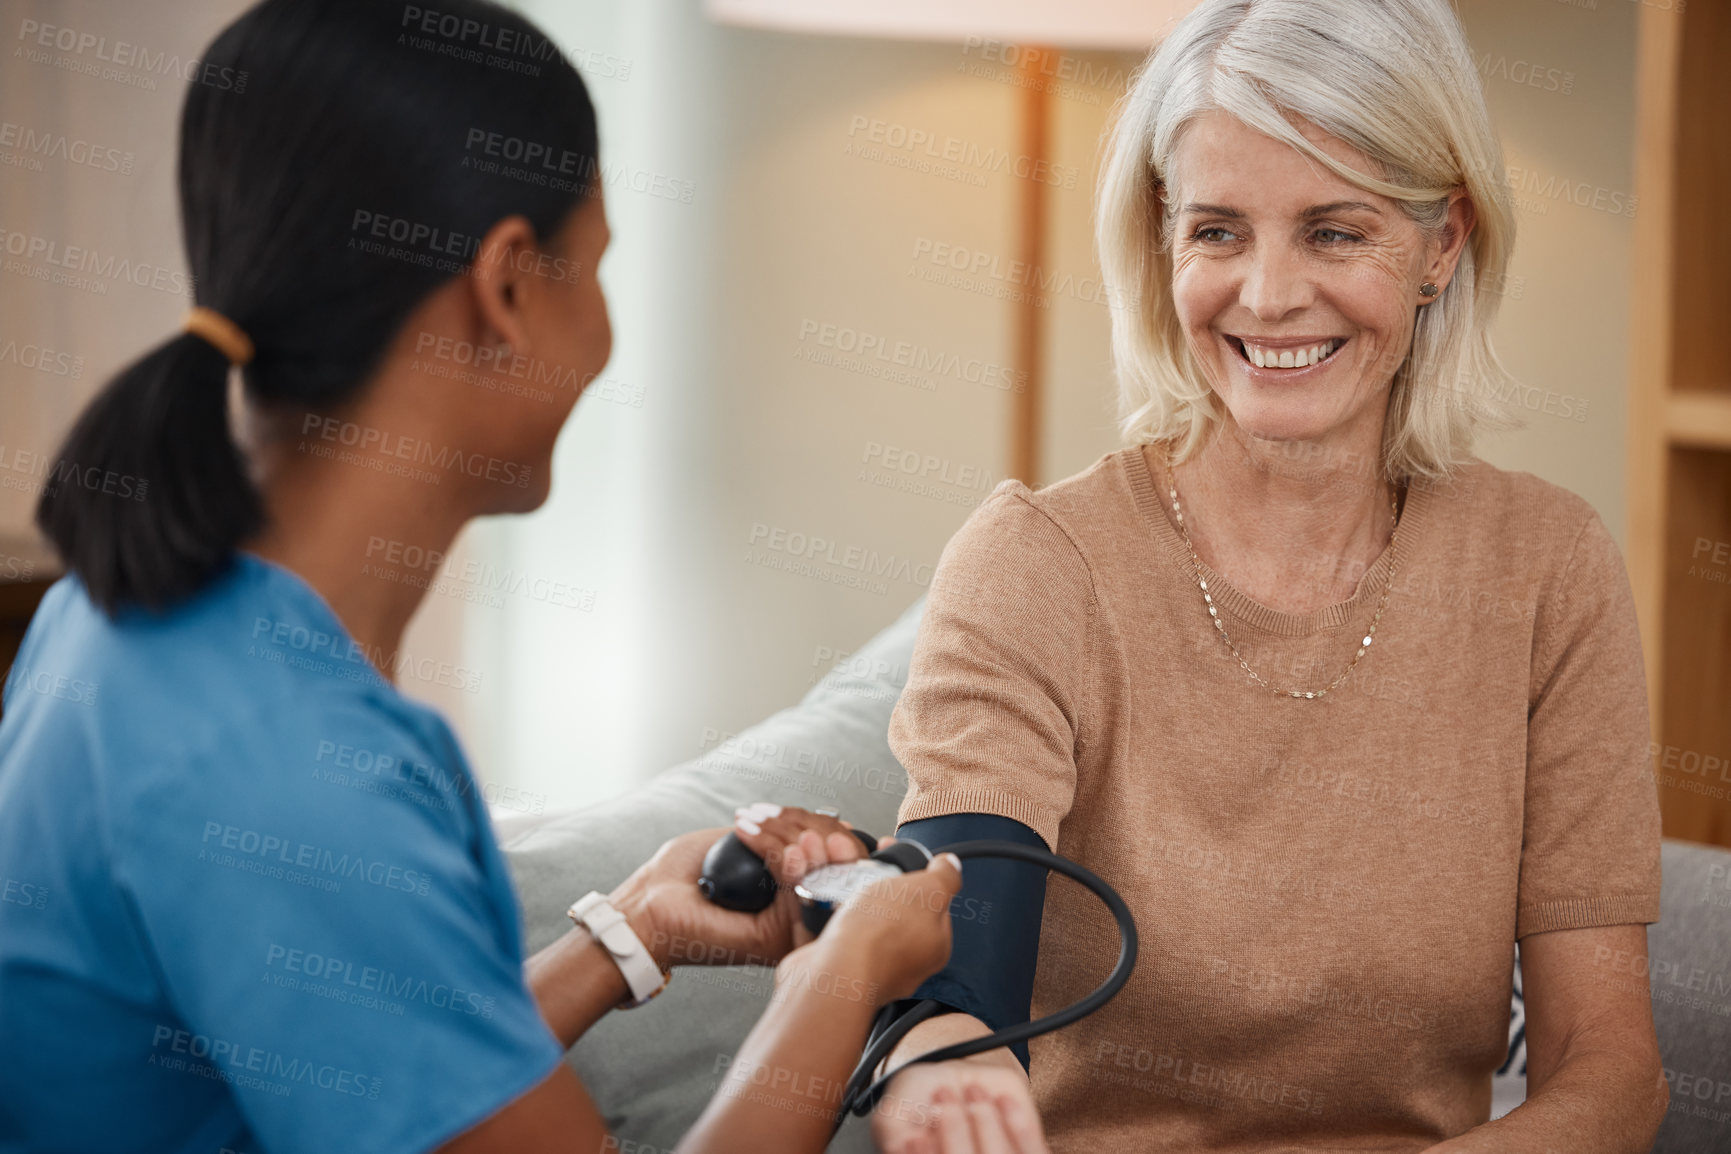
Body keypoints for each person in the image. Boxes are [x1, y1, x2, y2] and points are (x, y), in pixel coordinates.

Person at [0, 2, 968, 1152]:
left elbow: (388, 1075)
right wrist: (842, 977)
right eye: (594, 268)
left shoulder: (117, 617)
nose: (605, 333)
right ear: (507, 286)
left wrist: (631, 935)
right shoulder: (303, 778)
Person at [872, 0, 1668, 1151]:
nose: (1270, 294)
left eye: (1335, 233)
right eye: (1219, 231)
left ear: (1442, 243)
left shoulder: (1547, 568)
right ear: (1164, 239)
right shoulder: (1034, 566)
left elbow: (1612, 1072)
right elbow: (951, 999)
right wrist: (936, 1063)